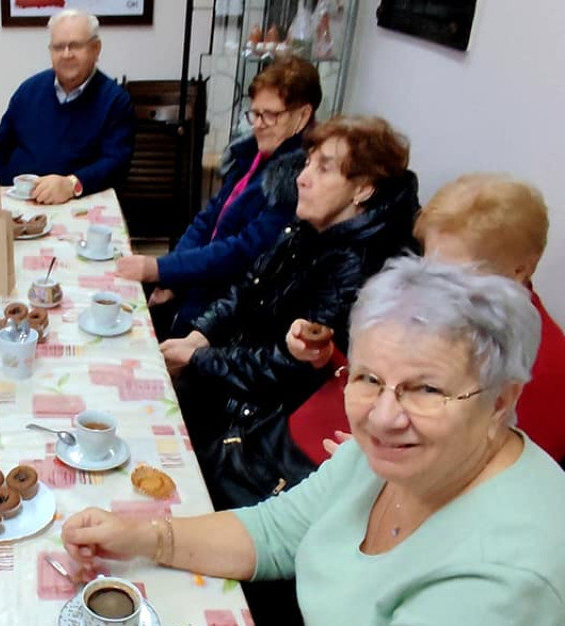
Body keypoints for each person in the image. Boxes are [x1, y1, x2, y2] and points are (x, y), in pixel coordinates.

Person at [58, 258, 565, 626]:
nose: (383, 415)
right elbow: (278, 531)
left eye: (427, 391)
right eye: (369, 378)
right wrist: (145, 536)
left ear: (502, 401)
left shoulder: (501, 576)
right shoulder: (401, 456)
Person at [160, 116, 418, 460]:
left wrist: (198, 359)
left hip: (260, 430)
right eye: (307, 163)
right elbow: (246, 289)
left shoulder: (362, 269)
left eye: (324, 169)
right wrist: (200, 336)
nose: (301, 177)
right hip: (228, 383)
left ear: (363, 188)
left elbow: (287, 372)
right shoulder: (308, 227)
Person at [288, 174, 565, 468]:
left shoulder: (545, 370)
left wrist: (380, 463)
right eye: (426, 262)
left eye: (451, 275)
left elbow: (492, 483)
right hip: (317, 444)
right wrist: (327, 357)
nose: (430, 285)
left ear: (519, 270)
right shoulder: (436, 307)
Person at [116, 57, 321, 338]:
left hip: (227, 308)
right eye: (254, 114)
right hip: (199, 281)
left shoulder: (297, 180)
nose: (258, 125)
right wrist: (171, 276)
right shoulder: (253, 156)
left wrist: (159, 269)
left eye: (270, 115)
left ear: (303, 116)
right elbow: (207, 219)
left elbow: (241, 252)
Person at [0, 10, 135, 205]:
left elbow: (116, 165)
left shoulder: (115, 101)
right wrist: (2, 196)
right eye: (58, 47)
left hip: (78, 208)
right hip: (19, 206)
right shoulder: (29, 90)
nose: (66, 54)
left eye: (76, 46)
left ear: (96, 49)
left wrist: (72, 184)